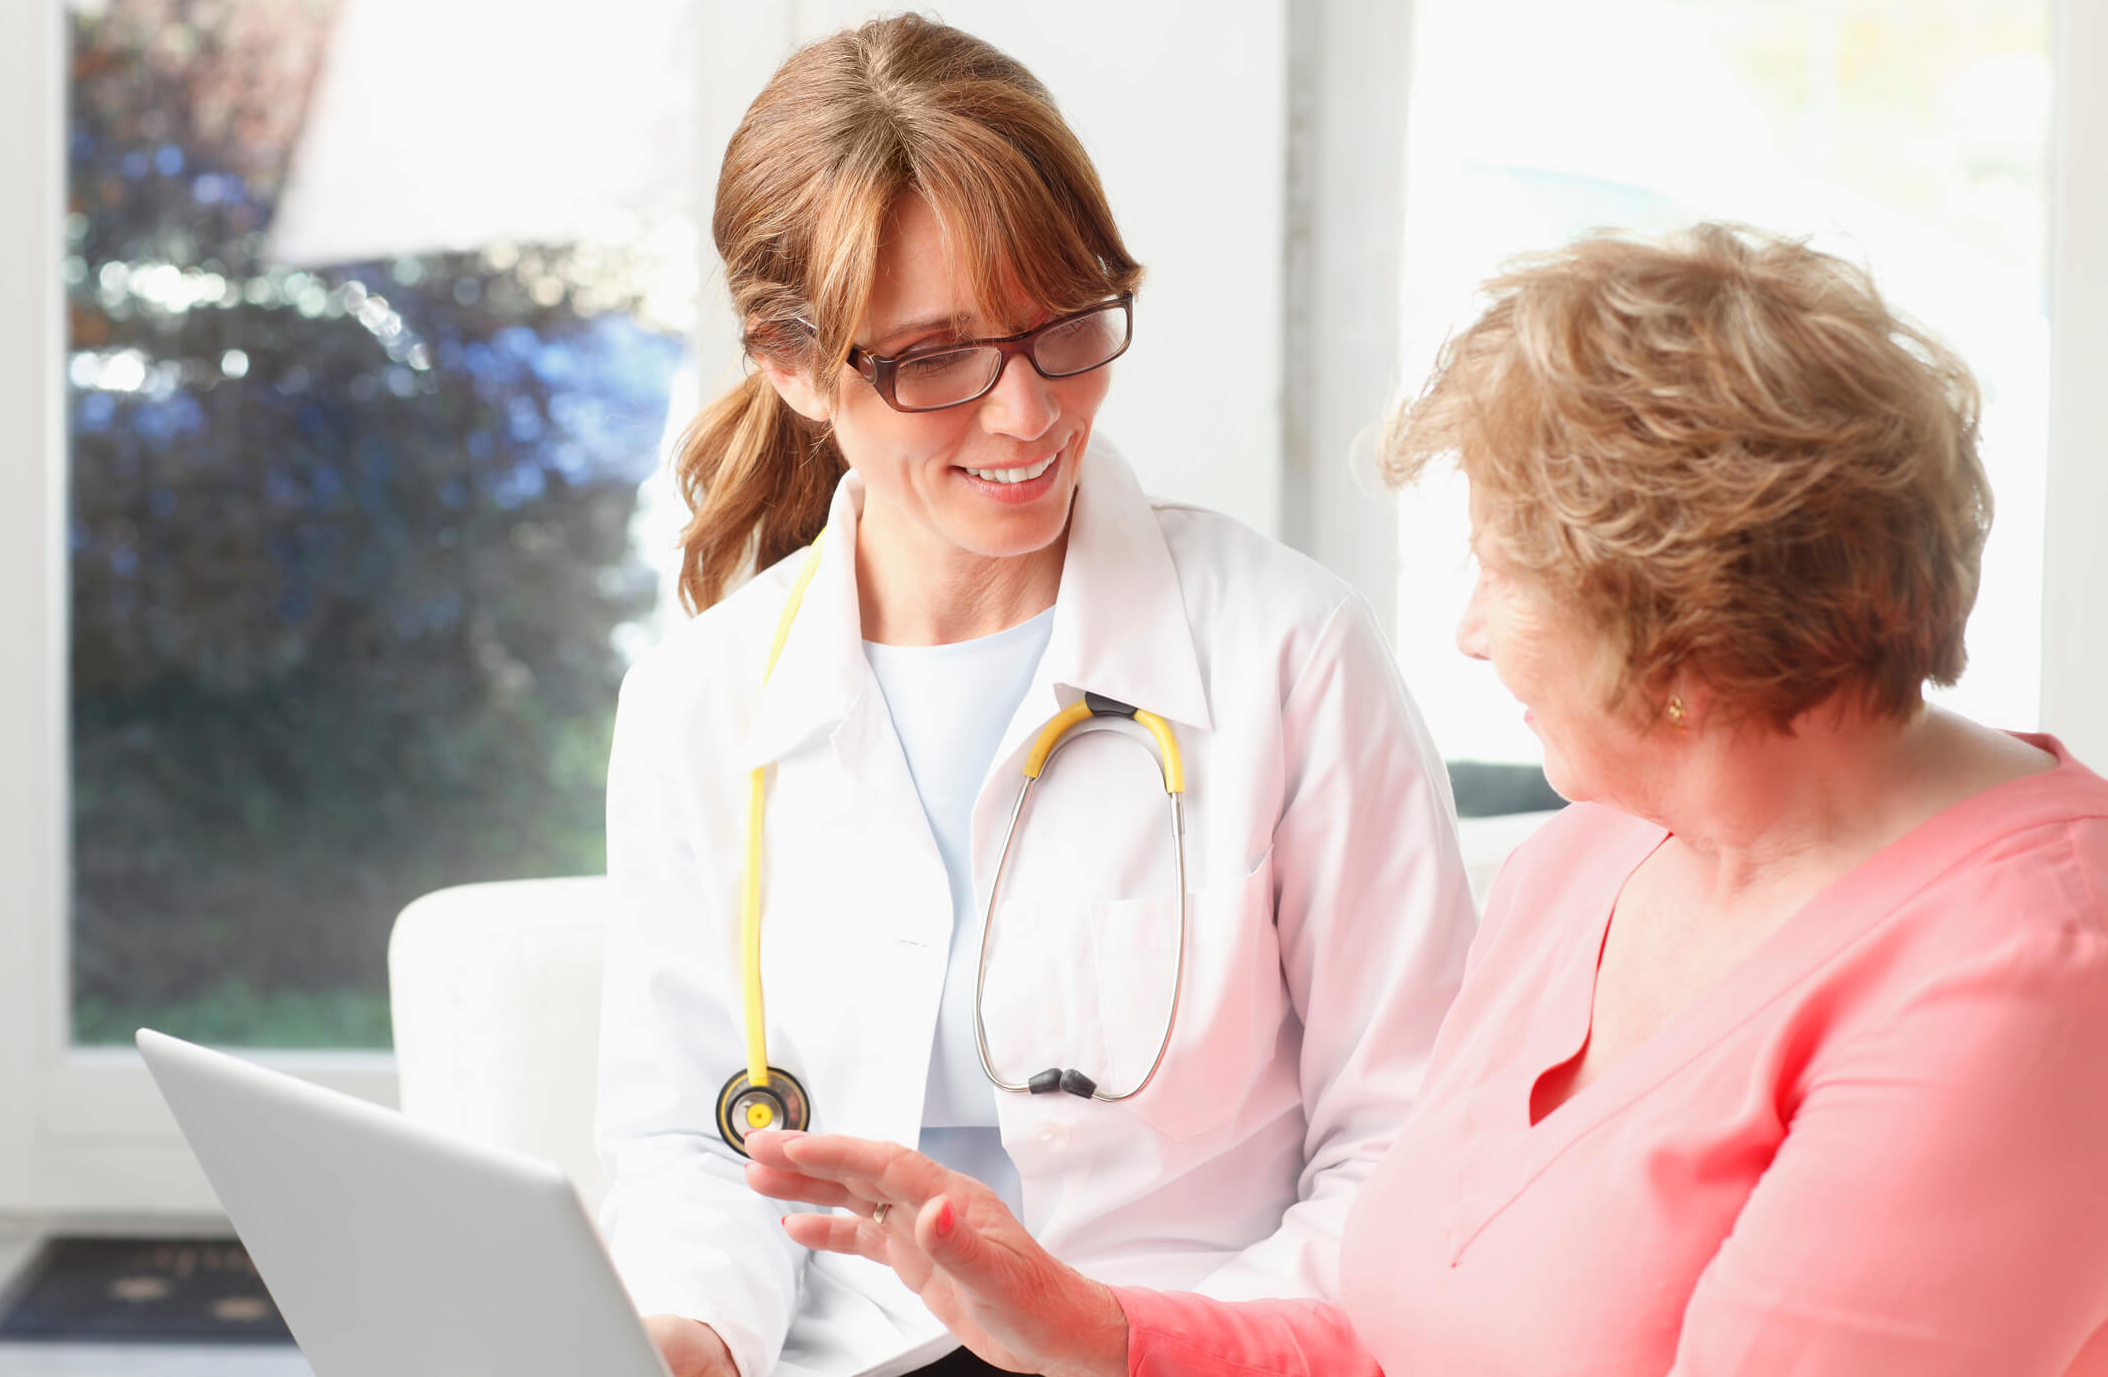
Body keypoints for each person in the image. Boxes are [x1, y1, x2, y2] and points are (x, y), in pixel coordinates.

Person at [745, 224, 2108, 1375]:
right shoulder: (1587, 859)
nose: (1467, 631)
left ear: (1682, 633)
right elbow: (1398, 1332)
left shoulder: (2026, 976)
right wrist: (1097, 1331)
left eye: (1505, 569)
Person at [594, 13, 1478, 1377]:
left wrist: (1129, 1340)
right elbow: (686, 1139)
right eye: (937, 357)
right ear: (788, 360)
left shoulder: (1288, 654)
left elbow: (1407, 1146)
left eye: (1062, 326)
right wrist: (688, 1339)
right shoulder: (700, 701)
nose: (1028, 416)